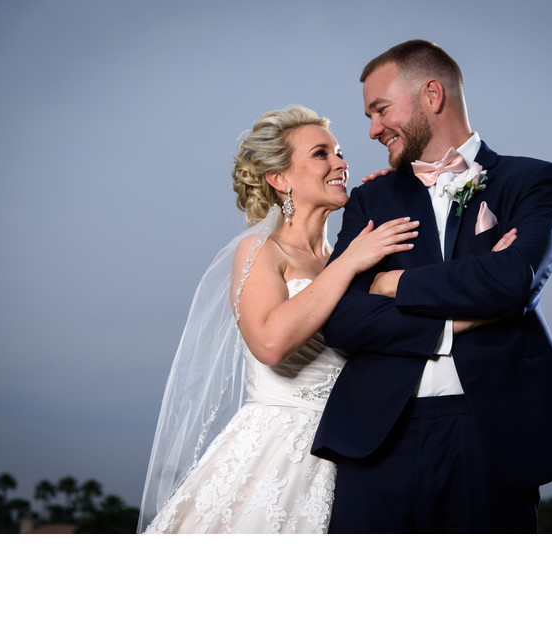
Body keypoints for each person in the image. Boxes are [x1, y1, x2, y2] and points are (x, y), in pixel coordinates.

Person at [312, 40, 552, 533]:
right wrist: (451, 322)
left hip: (493, 434)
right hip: (377, 435)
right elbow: (339, 317)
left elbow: (513, 282)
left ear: (432, 94)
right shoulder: (370, 198)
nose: (372, 129)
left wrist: (391, 282)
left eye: (380, 110)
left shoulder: (532, 181)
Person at [137, 106, 462, 533]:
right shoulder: (261, 251)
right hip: (275, 452)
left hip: (353, 449)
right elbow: (269, 344)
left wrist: (396, 193)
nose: (341, 162)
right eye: (321, 154)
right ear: (280, 179)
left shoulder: (352, 258)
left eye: (340, 152)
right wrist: (348, 266)